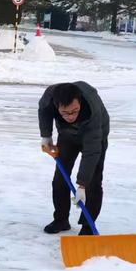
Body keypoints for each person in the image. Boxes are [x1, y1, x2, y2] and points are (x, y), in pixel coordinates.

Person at [39, 82, 110, 236]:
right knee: (60, 177)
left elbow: (91, 152)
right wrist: (46, 136)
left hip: (96, 135)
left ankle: (87, 226)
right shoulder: (49, 98)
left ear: (79, 103)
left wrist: (82, 185)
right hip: (67, 135)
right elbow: (43, 111)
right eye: (65, 113)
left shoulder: (92, 111)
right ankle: (61, 219)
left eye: (75, 111)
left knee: (93, 181)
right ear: (57, 106)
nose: (70, 116)